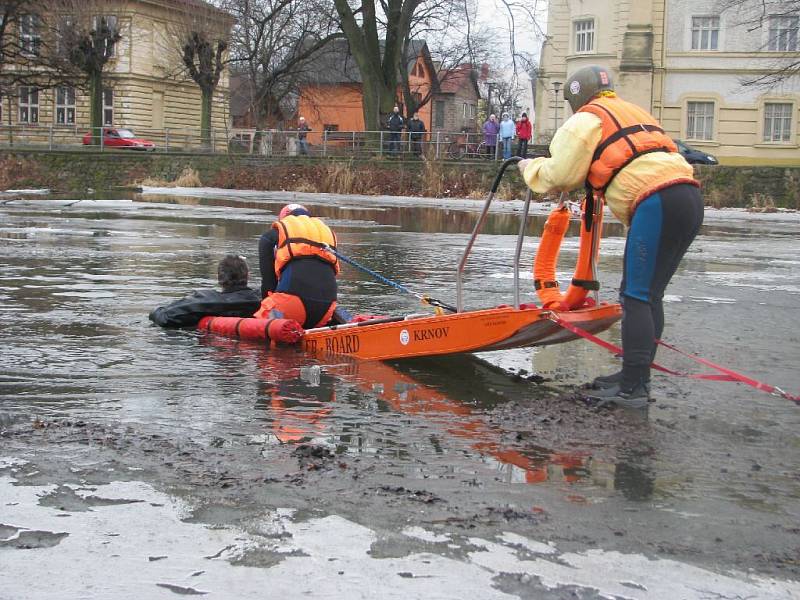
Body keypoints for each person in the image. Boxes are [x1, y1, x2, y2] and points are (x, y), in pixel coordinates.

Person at [518, 65, 703, 409]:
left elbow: (561, 174)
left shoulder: (585, 119)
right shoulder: (632, 110)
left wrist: (529, 169)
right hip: (688, 198)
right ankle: (636, 378)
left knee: (635, 297)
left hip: (656, 201)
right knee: (650, 296)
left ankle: (632, 388)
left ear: (576, 97)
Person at [255, 203, 339, 329]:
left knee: (264, 311)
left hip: (292, 308)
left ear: (283, 219)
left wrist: (266, 305)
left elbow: (268, 284)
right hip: (325, 310)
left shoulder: (272, 235)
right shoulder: (327, 233)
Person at [149, 255, 261, 328]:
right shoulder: (261, 299)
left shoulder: (207, 300)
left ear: (219, 279)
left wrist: (157, 311)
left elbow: (164, 318)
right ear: (248, 276)